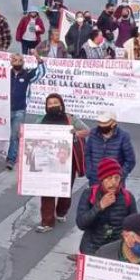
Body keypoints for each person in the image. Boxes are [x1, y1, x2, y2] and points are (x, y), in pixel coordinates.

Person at [36, 94, 88, 232]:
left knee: (65, 190)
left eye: (56, 102)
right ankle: (47, 222)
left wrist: (76, 133)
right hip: (48, 161)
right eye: (50, 103)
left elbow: (87, 130)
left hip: (67, 161)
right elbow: (33, 135)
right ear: (46, 106)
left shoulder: (70, 118)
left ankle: (61, 212)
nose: (53, 105)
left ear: (61, 104)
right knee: (47, 190)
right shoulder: (41, 120)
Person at [75, 158, 138, 254]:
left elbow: (134, 225)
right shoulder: (89, 194)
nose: (113, 183)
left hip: (116, 251)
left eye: (116, 178)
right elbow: (81, 224)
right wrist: (99, 206)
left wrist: (129, 234)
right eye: (109, 178)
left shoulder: (128, 197)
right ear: (102, 180)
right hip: (91, 249)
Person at [6, 52, 46, 170]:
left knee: (14, 136)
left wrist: (37, 57)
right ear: (11, 62)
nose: (17, 62)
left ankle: (11, 159)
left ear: (23, 62)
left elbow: (42, 72)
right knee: (3, 134)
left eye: (20, 60)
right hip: (5, 109)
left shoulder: (27, 74)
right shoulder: (6, 73)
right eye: (15, 60)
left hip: (19, 110)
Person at [84, 111, 136, 186]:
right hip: (95, 180)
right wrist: (89, 172)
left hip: (114, 183)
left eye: (105, 123)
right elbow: (87, 154)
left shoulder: (123, 137)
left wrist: (120, 176)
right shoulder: (93, 134)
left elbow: (130, 160)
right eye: (100, 123)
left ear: (113, 124)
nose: (102, 126)